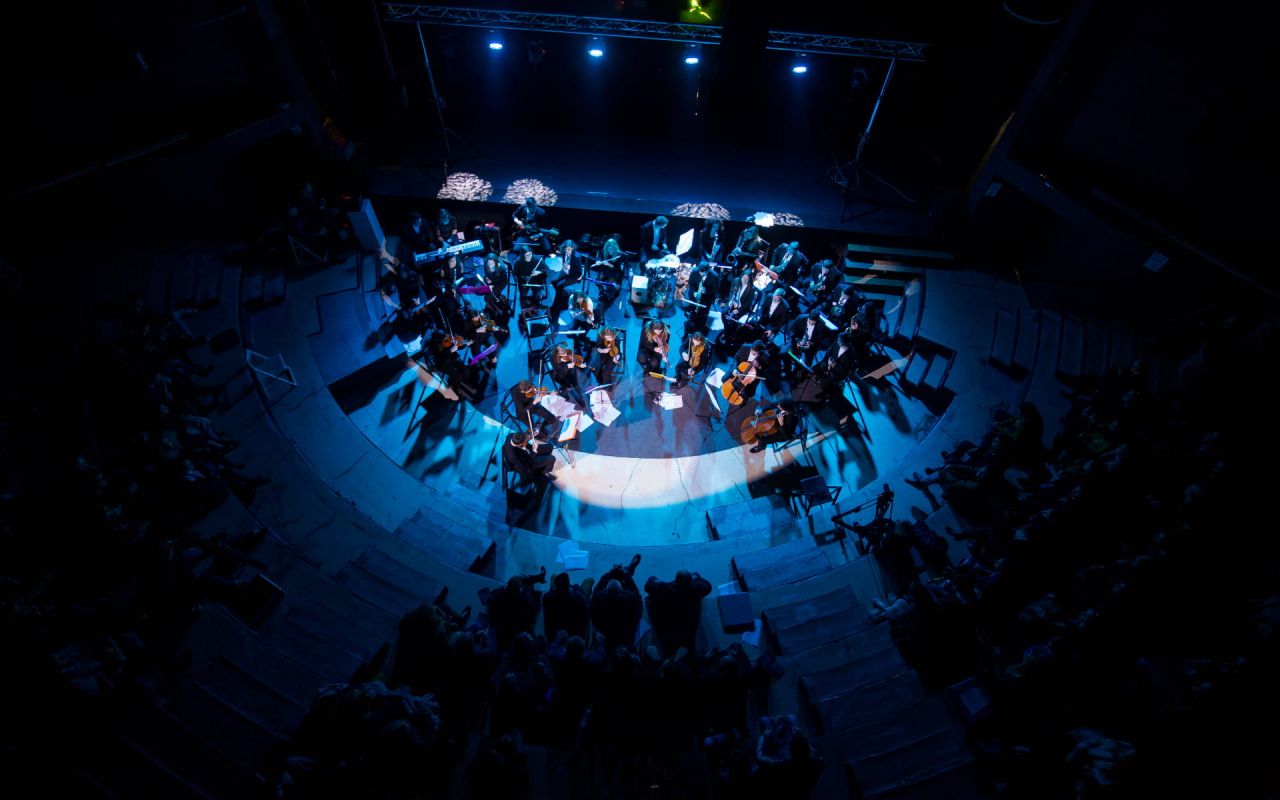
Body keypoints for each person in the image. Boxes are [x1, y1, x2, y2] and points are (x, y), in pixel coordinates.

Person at [643, 570, 712, 656]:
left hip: (668, 625)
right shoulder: (695, 589)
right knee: (688, 647)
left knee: (669, 650)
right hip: (688, 626)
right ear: (690, 582)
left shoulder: (665, 588)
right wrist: (696, 577)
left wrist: (658, 582)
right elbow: (708, 586)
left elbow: (648, 586)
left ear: (676, 580)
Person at [542, 572, 591, 640]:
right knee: (589, 581)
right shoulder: (577, 598)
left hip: (554, 632)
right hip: (573, 633)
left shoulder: (547, 598)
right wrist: (575, 588)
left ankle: (561, 584)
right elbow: (583, 602)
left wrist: (554, 590)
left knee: (554, 575)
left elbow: (549, 595)